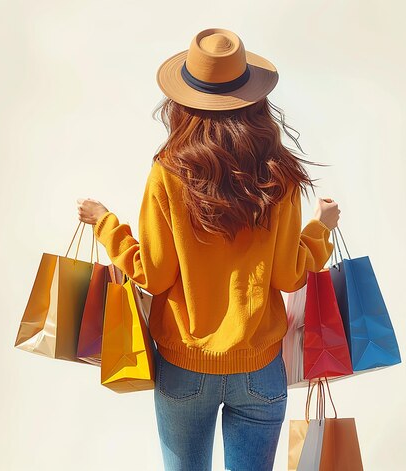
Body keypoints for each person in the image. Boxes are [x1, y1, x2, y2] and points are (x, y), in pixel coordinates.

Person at [76, 28, 340, 471]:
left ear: (181, 103)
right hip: (259, 368)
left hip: (184, 366)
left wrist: (105, 224)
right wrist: (319, 231)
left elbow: (153, 274)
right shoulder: (280, 175)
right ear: (254, 101)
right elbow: (290, 277)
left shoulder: (168, 173)